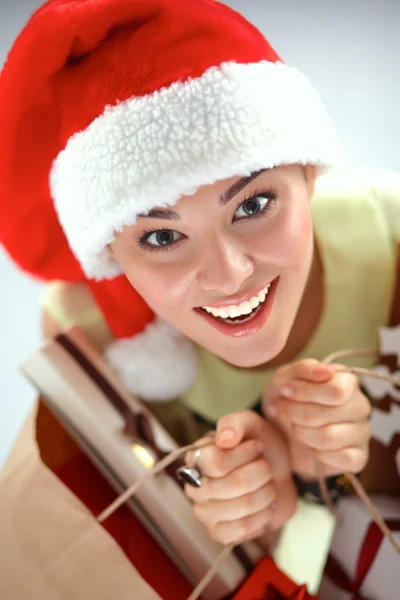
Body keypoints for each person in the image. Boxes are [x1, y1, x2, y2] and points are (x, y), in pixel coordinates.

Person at [0, 0, 398, 597]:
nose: (228, 273)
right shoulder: (91, 341)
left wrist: (357, 462)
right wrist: (218, 503)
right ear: (112, 256)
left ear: (309, 174)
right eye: (161, 237)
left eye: (254, 205)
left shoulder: (389, 235)